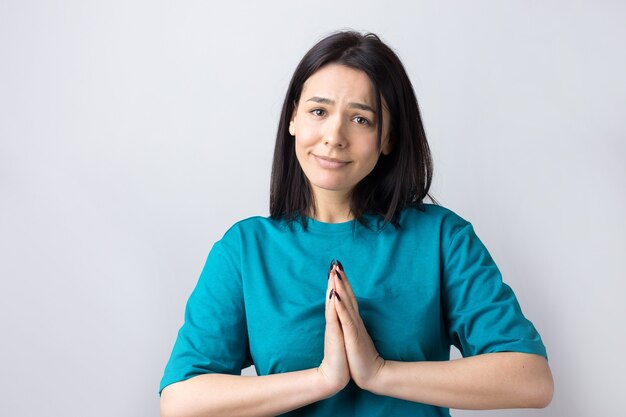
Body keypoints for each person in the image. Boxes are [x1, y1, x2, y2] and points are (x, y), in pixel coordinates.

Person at [159, 30, 554, 417]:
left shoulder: (441, 238)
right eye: (319, 111)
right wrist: (322, 379)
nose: (334, 136)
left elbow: (531, 379)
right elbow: (181, 401)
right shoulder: (246, 249)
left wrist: (379, 372)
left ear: (388, 137)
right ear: (294, 117)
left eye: (361, 119)